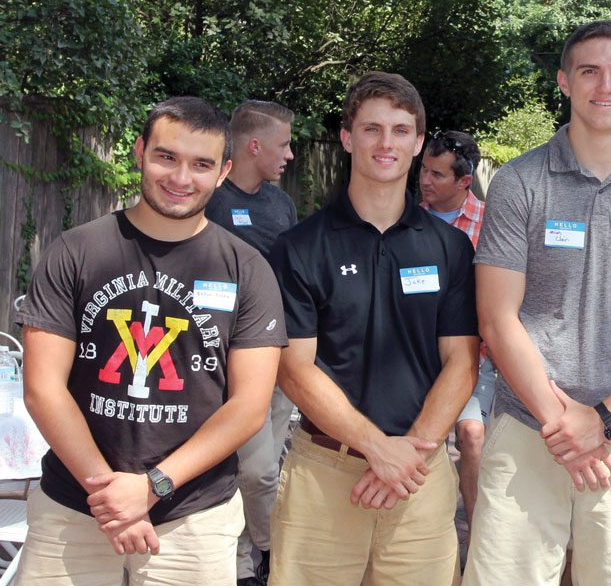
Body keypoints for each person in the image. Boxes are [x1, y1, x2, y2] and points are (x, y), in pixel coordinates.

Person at [462, 20, 611, 586]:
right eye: (590, 71)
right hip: (528, 427)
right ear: (564, 82)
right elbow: (496, 319)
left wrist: (603, 419)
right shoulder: (520, 183)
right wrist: (563, 423)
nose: (606, 85)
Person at [16, 96, 286, 586]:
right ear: (139, 151)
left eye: (201, 164)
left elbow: (249, 406)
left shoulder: (248, 269)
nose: (182, 178)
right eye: (167, 156)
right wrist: (112, 495)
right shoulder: (76, 251)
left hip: (193, 519)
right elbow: (42, 387)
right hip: (73, 509)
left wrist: (152, 487)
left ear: (223, 172)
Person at [267, 72, 478, 586]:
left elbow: (463, 360)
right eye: (372, 129)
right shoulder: (300, 247)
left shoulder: (449, 249)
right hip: (325, 473)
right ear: (346, 137)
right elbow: (293, 369)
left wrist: (407, 455)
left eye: (401, 130)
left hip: (420, 476)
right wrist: (378, 448)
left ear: (419, 142)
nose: (387, 143)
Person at [204, 99, 298, 586]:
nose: (290, 155)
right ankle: (271, 548)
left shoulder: (282, 204)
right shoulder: (210, 198)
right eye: (283, 144)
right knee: (254, 470)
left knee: (260, 467)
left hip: (279, 351)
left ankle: (247, 567)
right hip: (222, 357)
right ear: (254, 145)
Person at [418, 130, 493, 527]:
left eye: (437, 174)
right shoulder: (407, 221)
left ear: (464, 181)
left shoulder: (491, 225)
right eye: (424, 170)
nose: (425, 181)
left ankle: (477, 535)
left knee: (472, 433)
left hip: (471, 359)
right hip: (415, 354)